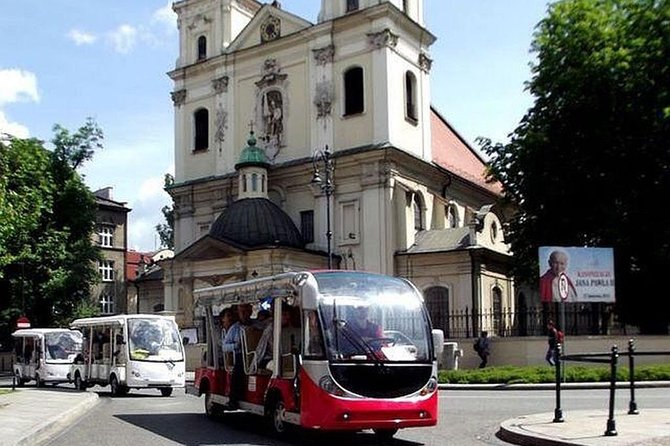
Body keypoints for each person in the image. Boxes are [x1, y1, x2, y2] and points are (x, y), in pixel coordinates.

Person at [222, 303, 253, 407]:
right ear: (239, 314)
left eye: (247, 311)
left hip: (256, 354)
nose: (245, 314)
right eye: (242, 312)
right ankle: (234, 398)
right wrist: (236, 345)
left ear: (251, 311)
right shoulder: (235, 328)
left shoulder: (257, 325)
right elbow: (224, 346)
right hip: (241, 355)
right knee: (240, 366)